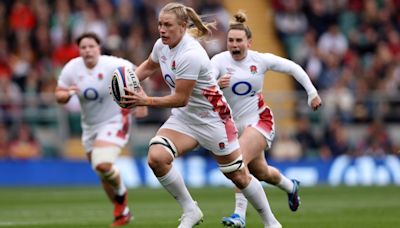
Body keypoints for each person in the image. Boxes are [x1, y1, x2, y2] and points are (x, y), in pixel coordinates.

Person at [121, 3, 282, 228]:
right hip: (185, 117)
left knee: (238, 176)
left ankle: (271, 222)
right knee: (157, 157)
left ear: (183, 26)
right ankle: (191, 210)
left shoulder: (191, 54)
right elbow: (149, 66)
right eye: (160, 24)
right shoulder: (162, 45)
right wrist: (127, 84)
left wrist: (145, 100)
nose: (162, 29)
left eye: (168, 25)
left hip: (214, 118)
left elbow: (180, 98)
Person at [211, 11, 322, 228]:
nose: (234, 44)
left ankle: (239, 215)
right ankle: (291, 187)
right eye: (230, 40)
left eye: (238, 40)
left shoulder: (259, 60)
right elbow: (204, 86)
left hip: (260, 121)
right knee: (261, 172)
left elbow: (294, 68)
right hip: (234, 127)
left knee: (237, 163)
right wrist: (216, 85)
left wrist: (312, 93)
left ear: (249, 43)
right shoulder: (218, 61)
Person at [54, 32, 148, 227]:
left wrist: (142, 101)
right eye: (83, 47)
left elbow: (137, 74)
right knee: (102, 172)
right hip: (89, 127)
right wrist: (67, 94)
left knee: (103, 164)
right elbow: (59, 94)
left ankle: (122, 194)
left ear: (99, 48)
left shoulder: (113, 64)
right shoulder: (72, 68)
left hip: (115, 120)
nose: (88, 51)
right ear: (79, 50)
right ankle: (123, 213)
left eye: (91, 46)